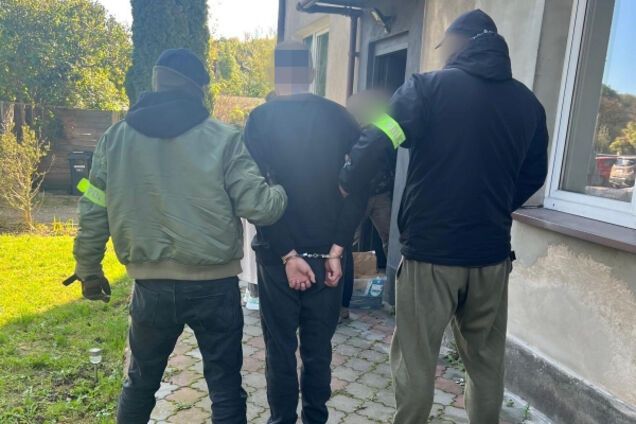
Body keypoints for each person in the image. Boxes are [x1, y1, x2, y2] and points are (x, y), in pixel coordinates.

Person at [339, 9, 549, 424]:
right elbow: (533, 175)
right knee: (485, 361)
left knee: (415, 359)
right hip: (490, 257)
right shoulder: (528, 104)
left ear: (458, 43)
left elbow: (381, 136)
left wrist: (349, 179)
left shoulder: (427, 88)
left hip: (430, 255)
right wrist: (493, 206)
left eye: (444, 46)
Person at [70, 48, 287, 424]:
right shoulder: (224, 138)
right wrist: (281, 188)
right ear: (199, 89)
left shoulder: (114, 139)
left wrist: (88, 269)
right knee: (225, 387)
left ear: (156, 82)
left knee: (140, 384)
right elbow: (262, 208)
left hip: (150, 288)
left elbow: (93, 208)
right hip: (214, 285)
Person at [243, 40, 365, 424]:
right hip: (327, 257)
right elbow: (364, 183)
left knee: (280, 350)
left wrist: (287, 254)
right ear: (312, 73)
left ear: (275, 75)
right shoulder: (340, 118)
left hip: (277, 256)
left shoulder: (260, 120)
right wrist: (338, 248)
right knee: (318, 352)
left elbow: (255, 194)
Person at [341, 90, 395, 320]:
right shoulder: (347, 126)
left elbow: (397, 149)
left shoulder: (386, 125)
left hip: (381, 193)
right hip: (357, 196)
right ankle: (341, 304)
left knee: (392, 241)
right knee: (343, 243)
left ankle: (392, 295)